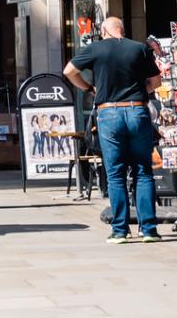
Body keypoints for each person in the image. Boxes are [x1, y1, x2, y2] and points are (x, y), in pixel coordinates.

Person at [65, 16, 163, 242]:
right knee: (143, 171)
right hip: (138, 110)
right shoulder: (139, 48)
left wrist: (90, 88)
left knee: (115, 174)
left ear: (104, 31)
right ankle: (148, 229)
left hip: (109, 112)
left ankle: (120, 230)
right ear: (122, 30)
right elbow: (156, 81)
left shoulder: (95, 48)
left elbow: (69, 71)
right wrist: (139, 92)